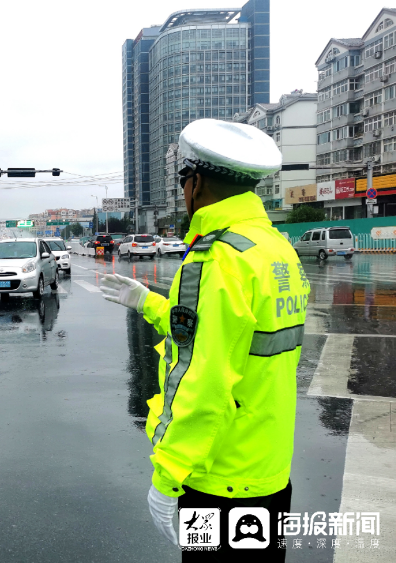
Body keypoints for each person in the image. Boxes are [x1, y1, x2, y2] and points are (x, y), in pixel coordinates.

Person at [101, 119, 309, 561]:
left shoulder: (216, 259)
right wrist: (149, 304)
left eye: (182, 182)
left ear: (195, 182)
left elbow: (201, 379)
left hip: (220, 476)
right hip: (267, 468)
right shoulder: (272, 248)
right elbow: (232, 339)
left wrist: (168, 477)